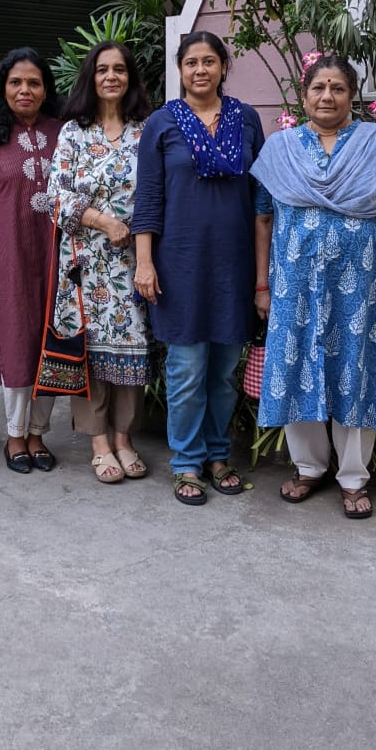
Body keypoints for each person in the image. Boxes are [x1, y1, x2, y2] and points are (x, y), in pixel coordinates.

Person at [251, 52, 376, 520]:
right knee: (295, 365)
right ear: (303, 96)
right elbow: (263, 218)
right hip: (295, 286)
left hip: (362, 290)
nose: (327, 96)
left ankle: (352, 477)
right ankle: (309, 467)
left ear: (353, 96)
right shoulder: (281, 148)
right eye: (317, 88)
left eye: (337, 88)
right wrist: (262, 285)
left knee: (356, 368)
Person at [132, 31, 265, 506]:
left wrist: (263, 276)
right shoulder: (162, 124)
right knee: (188, 368)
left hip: (234, 265)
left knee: (225, 369)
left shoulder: (247, 120)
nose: (201, 70)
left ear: (224, 66)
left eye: (210, 61)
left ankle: (217, 454)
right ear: (180, 69)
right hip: (179, 265)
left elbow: (259, 201)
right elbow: (147, 200)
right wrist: (144, 263)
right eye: (191, 62)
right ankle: (186, 462)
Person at [47, 41, 152, 485]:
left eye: (120, 70)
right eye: (102, 69)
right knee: (87, 349)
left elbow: (157, 192)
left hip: (133, 259)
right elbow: (56, 195)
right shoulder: (74, 131)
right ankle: (97, 442)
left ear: (130, 78)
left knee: (132, 345)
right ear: (91, 77)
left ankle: (124, 437)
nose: (111, 76)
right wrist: (103, 222)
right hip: (83, 261)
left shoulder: (146, 131)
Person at [0, 47, 62, 474]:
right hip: (7, 262)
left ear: (45, 90)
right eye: (16, 82)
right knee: (17, 344)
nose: (25, 90)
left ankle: (39, 434)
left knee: (49, 343)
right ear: (2, 89)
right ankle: (15, 435)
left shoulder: (62, 132)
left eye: (34, 83)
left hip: (55, 256)